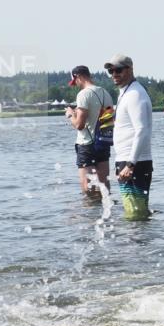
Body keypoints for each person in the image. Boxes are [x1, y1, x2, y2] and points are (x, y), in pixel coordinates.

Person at [106, 54, 153, 219]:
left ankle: (137, 243)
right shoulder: (125, 93)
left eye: (118, 70)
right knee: (134, 213)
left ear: (130, 69)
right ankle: (137, 243)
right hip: (127, 161)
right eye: (111, 71)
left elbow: (142, 130)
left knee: (135, 215)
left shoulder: (135, 94)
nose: (114, 75)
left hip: (135, 163)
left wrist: (130, 164)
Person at [65, 65, 113, 194]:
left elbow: (79, 125)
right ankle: (107, 211)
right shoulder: (105, 92)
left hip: (86, 145)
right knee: (104, 186)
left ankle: (89, 213)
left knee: (88, 188)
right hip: (103, 143)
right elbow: (107, 120)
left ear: (78, 77)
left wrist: (70, 114)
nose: (76, 85)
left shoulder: (83, 94)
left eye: (75, 82)